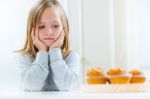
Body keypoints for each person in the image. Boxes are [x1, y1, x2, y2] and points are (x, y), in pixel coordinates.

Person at [17, 0, 80, 91]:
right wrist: (42, 52)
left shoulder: (71, 57)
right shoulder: (25, 57)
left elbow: (67, 85)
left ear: (64, 29)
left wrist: (54, 52)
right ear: (32, 30)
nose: (49, 32)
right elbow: (31, 86)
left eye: (55, 26)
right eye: (41, 27)